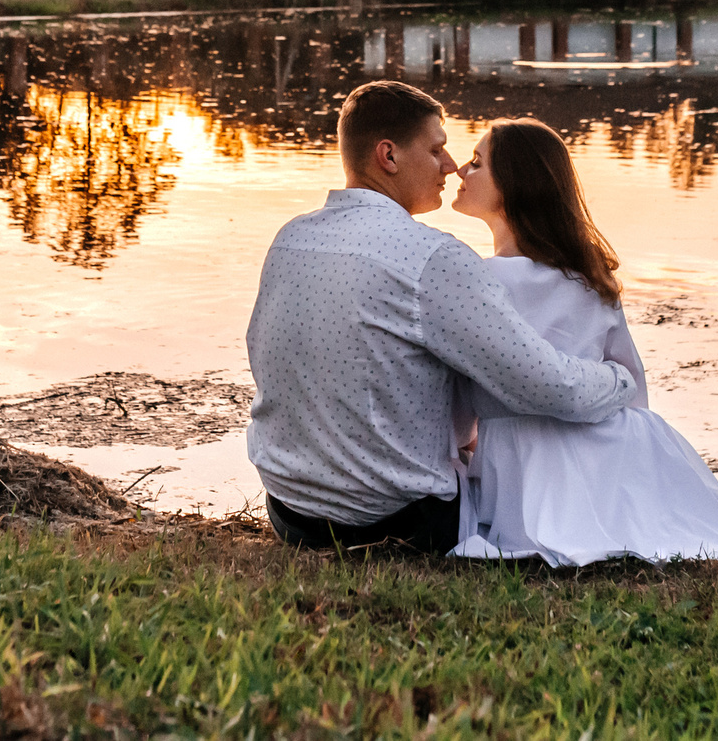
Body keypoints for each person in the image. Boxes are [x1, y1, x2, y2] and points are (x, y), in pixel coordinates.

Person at [245, 80, 638, 553]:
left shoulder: (289, 239)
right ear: (388, 157)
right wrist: (619, 379)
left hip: (290, 514)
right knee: (537, 489)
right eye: (437, 150)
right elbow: (553, 387)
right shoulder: (431, 258)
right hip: (394, 523)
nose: (451, 167)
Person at [447, 117, 718, 564]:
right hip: (608, 444)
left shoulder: (478, 281)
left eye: (476, 162)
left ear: (514, 185)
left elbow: (459, 395)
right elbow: (631, 381)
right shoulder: (590, 278)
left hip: (520, 461)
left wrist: (465, 444)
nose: (459, 170)